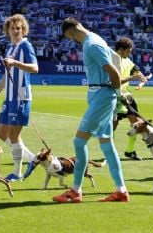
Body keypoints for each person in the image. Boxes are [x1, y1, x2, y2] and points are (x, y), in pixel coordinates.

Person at [53, 17, 129, 203]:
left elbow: (113, 71)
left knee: (79, 142)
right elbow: (117, 57)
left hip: (101, 96)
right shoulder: (96, 39)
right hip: (101, 94)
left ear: (71, 33)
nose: (72, 40)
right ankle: (121, 190)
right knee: (107, 145)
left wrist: (118, 94)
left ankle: (76, 191)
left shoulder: (91, 44)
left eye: (70, 37)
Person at [0, 14, 38, 182]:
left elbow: (35, 68)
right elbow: (6, 75)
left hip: (21, 97)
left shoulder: (25, 46)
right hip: (9, 98)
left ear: (23, 30)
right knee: (1, 133)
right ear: (7, 31)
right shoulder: (10, 49)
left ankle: (17, 173)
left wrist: (15, 63)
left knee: (13, 135)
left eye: (19, 28)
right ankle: (32, 158)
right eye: (13, 28)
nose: (16, 31)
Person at [113, 37, 147, 161]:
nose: (130, 53)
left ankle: (129, 151)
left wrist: (141, 76)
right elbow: (115, 80)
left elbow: (136, 70)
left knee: (136, 123)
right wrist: (133, 78)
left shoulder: (127, 60)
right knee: (113, 125)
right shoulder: (112, 60)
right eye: (128, 51)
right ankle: (109, 151)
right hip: (115, 95)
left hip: (126, 95)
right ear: (121, 50)